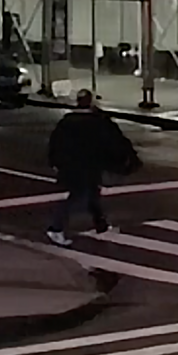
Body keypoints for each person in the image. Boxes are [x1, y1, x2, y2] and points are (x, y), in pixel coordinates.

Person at [46, 90, 131, 245]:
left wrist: (55, 163)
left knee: (91, 193)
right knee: (79, 196)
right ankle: (56, 228)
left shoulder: (67, 121)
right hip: (88, 165)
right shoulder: (97, 121)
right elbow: (111, 142)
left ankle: (101, 225)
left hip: (73, 165)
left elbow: (55, 144)